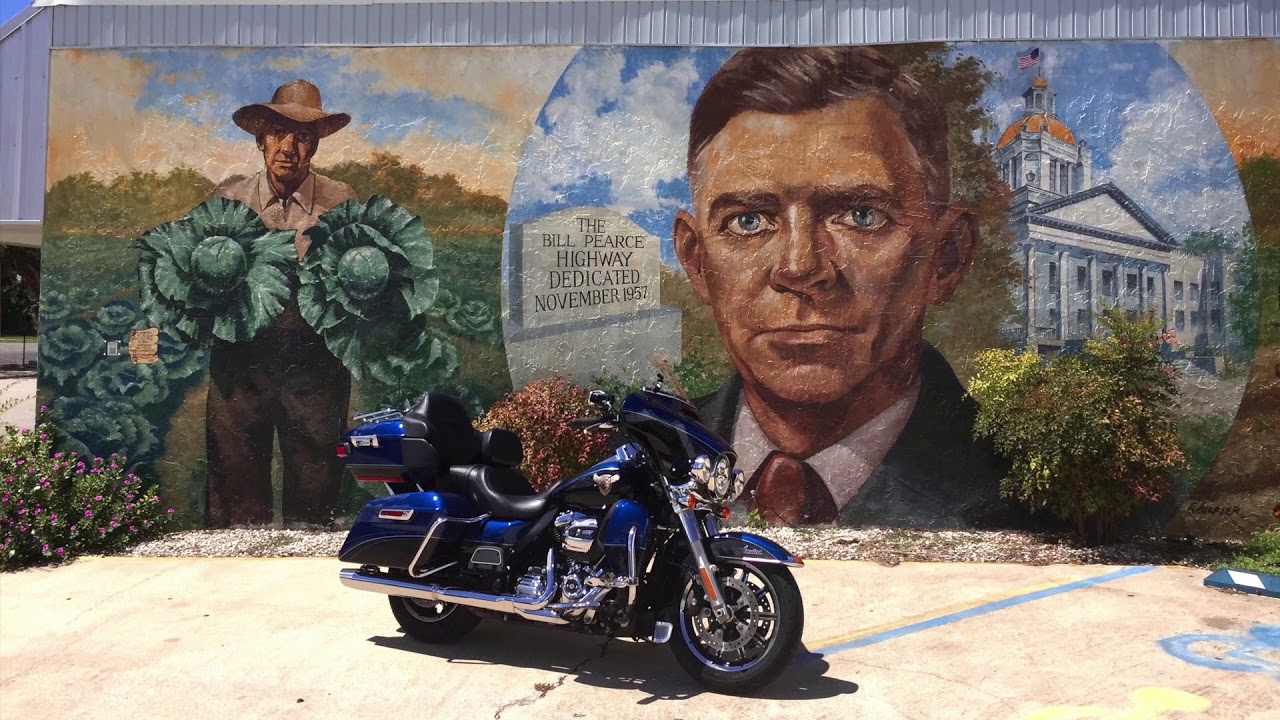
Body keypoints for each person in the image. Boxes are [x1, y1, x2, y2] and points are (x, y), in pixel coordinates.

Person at [673, 47, 1022, 529]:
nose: (800, 267)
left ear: (945, 258)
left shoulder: (1024, 489)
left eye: (862, 216)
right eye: (747, 221)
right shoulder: (643, 459)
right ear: (697, 261)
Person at [205, 79, 359, 527]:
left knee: (315, 480)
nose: (288, 148)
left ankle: (307, 546)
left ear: (315, 146)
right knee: (235, 475)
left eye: (303, 137)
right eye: (277, 134)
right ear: (260, 140)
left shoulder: (340, 200)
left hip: (314, 360)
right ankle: (236, 552)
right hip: (240, 359)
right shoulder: (228, 200)